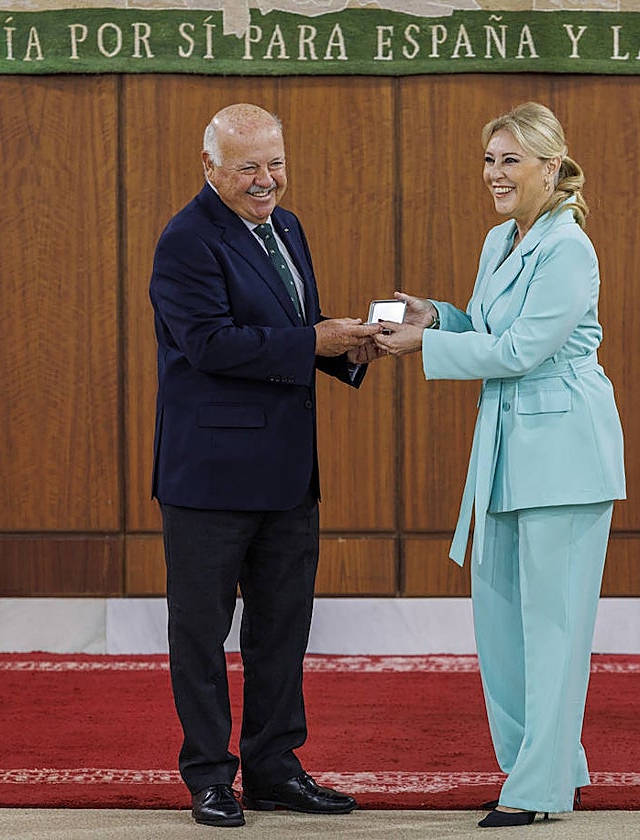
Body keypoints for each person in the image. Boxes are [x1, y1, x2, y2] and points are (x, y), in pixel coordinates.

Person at [373, 102, 626, 828]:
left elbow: (521, 352)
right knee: (503, 626)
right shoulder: (498, 240)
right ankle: (540, 768)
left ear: (552, 167)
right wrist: (437, 317)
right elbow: (490, 328)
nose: (495, 174)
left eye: (510, 160)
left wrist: (427, 349)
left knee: (553, 629)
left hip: (565, 455)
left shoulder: (570, 247)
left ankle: (537, 791)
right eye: (489, 160)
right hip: (507, 454)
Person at [149, 103, 381, 828]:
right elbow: (212, 345)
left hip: (285, 473)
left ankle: (275, 770)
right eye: (247, 166)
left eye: (274, 162)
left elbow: (289, 335)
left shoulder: (288, 227)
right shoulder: (186, 240)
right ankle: (211, 778)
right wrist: (317, 339)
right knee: (201, 633)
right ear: (210, 168)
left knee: (281, 629)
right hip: (210, 477)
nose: (265, 180)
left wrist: (344, 350)